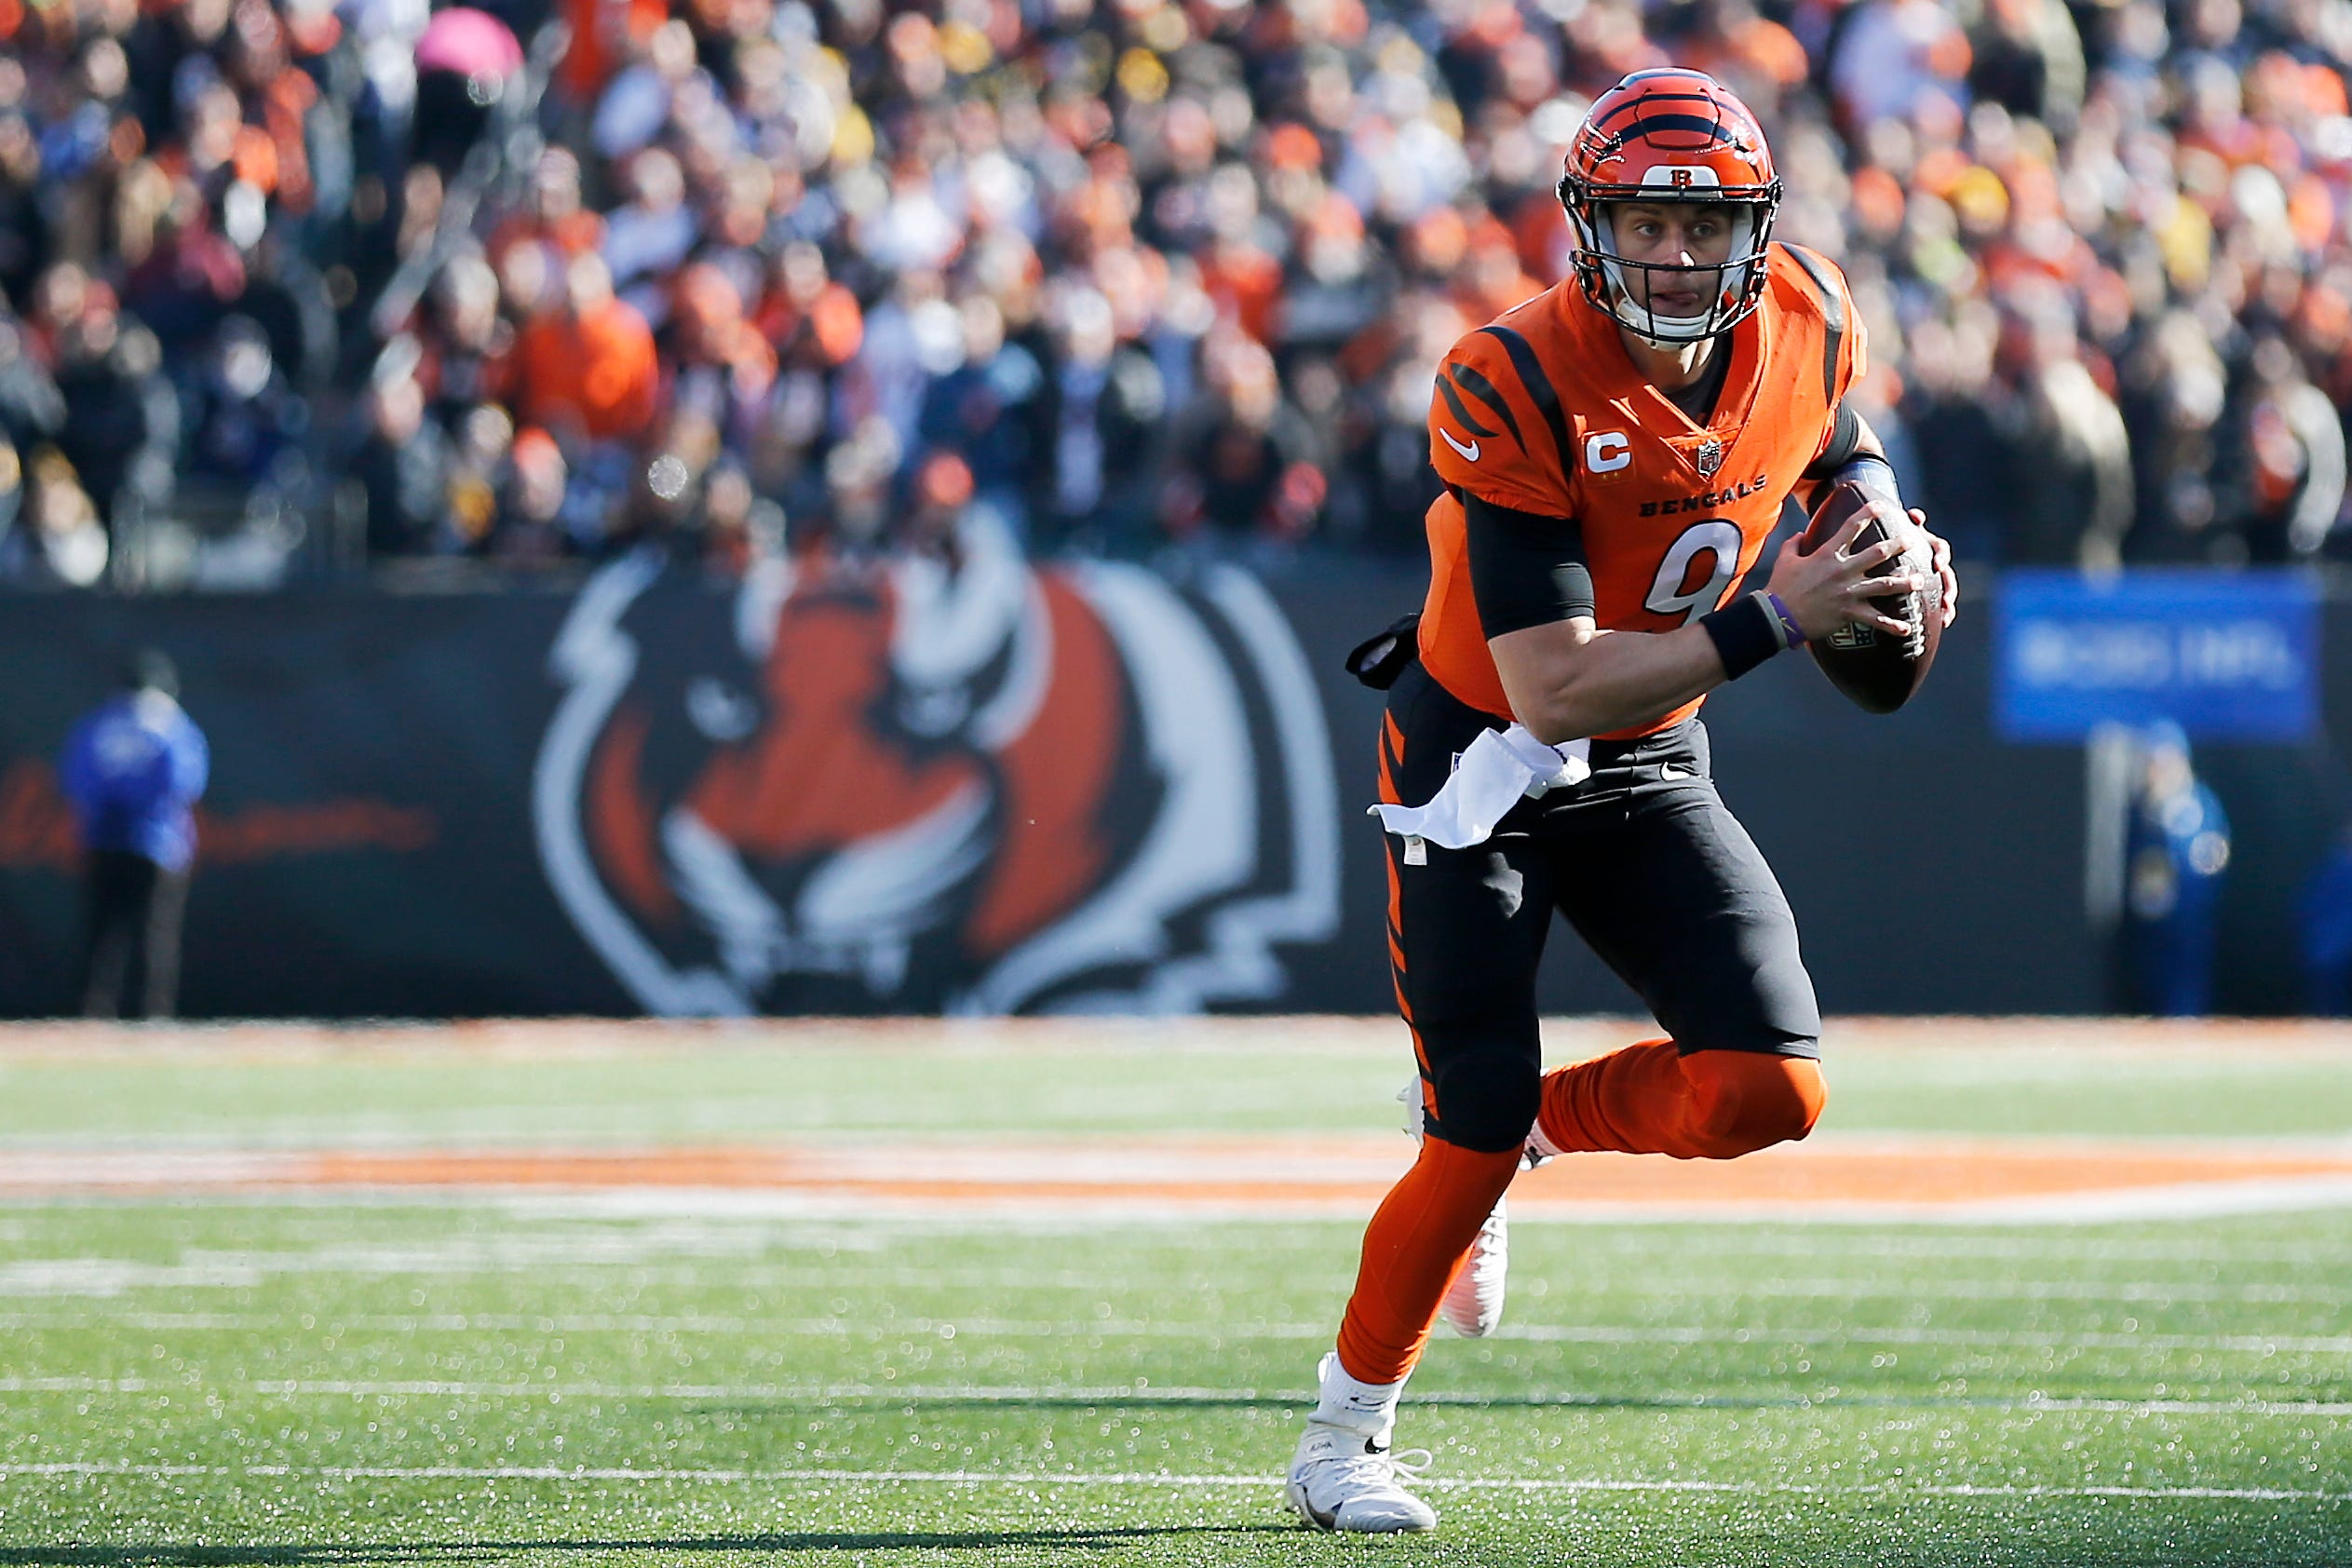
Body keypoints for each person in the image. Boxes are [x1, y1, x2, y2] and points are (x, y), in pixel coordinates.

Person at [1284, 69, 1961, 1534]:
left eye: (1701, 227)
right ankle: (1344, 1438)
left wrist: (1889, 540)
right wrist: (1781, 619)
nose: (1671, 255)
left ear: (1754, 235)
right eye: (1644, 223)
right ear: (1590, 228)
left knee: (1767, 1086)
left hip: (1650, 756)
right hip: (1486, 766)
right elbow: (1549, 688)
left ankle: (1542, 1127)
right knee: (1456, 1124)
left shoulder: (1811, 312)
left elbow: (1840, 446)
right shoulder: (1507, 374)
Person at [58, 650, 210, 1020]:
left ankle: (93, 1014)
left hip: (103, 838)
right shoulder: (171, 723)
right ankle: (150, 1016)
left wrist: (110, 807)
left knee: (101, 934)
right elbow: (186, 782)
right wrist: (144, 809)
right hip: (157, 842)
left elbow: (75, 778)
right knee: (154, 936)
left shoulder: (98, 722)